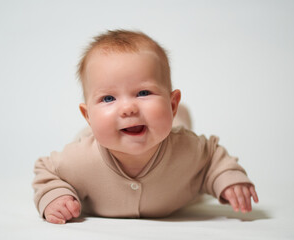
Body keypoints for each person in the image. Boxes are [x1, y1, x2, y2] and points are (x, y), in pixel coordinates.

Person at [32, 30, 259, 224]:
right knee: (137, 125)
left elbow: (213, 159)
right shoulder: (80, 159)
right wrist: (55, 195)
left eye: (143, 93)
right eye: (109, 98)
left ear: (172, 104)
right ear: (88, 115)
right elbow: (47, 170)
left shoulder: (189, 150)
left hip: (168, 129)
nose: (128, 108)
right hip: (100, 135)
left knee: (176, 127)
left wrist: (229, 180)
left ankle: (180, 116)